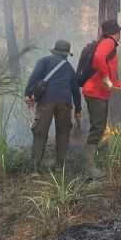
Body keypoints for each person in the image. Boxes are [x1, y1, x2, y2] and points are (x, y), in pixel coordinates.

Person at [82, 19, 121, 178]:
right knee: (97, 127)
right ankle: (88, 168)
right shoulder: (108, 43)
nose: (120, 34)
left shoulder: (110, 46)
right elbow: (98, 59)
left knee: (100, 126)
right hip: (94, 92)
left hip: (99, 92)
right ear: (115, 33)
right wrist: (105, 79)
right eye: (119, 31)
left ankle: (90, 162)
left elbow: (111, 76)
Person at [24, 40, 82, 172]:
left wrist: (28, 94)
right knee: (63, 134)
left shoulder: (44, 61)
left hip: (46, 101)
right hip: (65, 102)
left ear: (54, 51)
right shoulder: (69, 68)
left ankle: (34, 168)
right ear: (67, 54)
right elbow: (76, 91)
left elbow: (33, 78)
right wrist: (78, 109)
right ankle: (59, 167)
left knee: (40, 133)